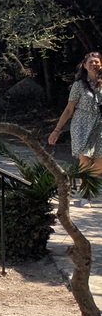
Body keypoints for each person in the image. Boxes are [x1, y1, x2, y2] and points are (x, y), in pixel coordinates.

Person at [49, 51, 102, 206]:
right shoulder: (78, 86)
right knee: (85, 159)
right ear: (84, 65)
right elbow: (69, 109)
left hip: (99, 125)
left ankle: (84, 180)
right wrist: (57, 130)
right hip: (81, 124)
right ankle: (85, 194)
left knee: (100, 161)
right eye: (90, 62)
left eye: (97, 61)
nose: (93, 64)